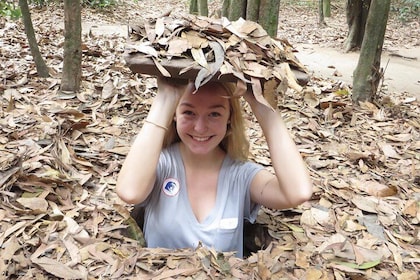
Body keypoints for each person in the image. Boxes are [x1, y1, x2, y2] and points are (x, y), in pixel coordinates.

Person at [116, 77, 312, 258]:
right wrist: (166, 98)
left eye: (214, 114)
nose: (200, 127)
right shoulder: (161, 164)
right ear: (174, 114)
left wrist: (263, 107)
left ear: (229, 118)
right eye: (188, 112)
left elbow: (297, 193)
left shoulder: (240, 174)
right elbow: (129, 192)